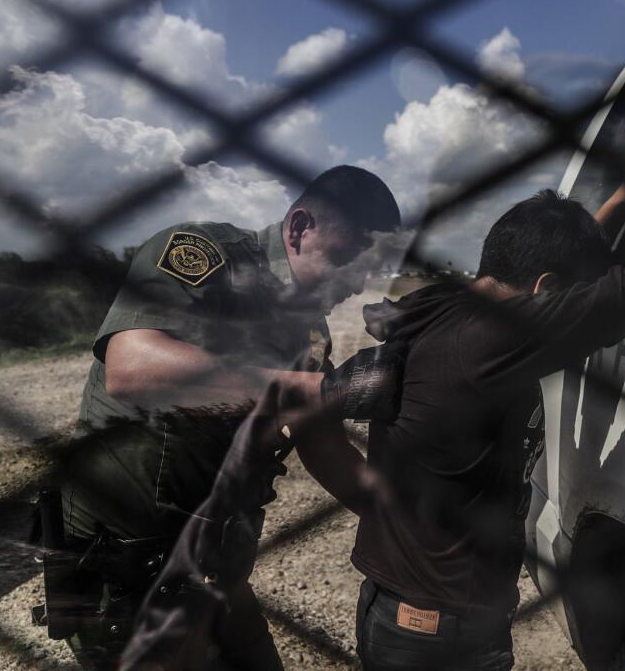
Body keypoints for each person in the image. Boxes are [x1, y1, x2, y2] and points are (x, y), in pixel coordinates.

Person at [288, 98, 625, 670]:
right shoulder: (495, 341)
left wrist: (623, 194)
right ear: (544, 289)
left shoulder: (450, 306)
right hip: (441, 638)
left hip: (404, 615)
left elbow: (553, 275)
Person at [46, 165, 400, 670]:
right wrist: (321, 388)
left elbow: (322, 445)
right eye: (348, 261)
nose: (358, 283)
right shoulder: (203, 257)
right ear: (299, 228)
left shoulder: (307, 330)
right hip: (128, 569)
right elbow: (132, 366)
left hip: (212, 568)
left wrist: (412, 517)